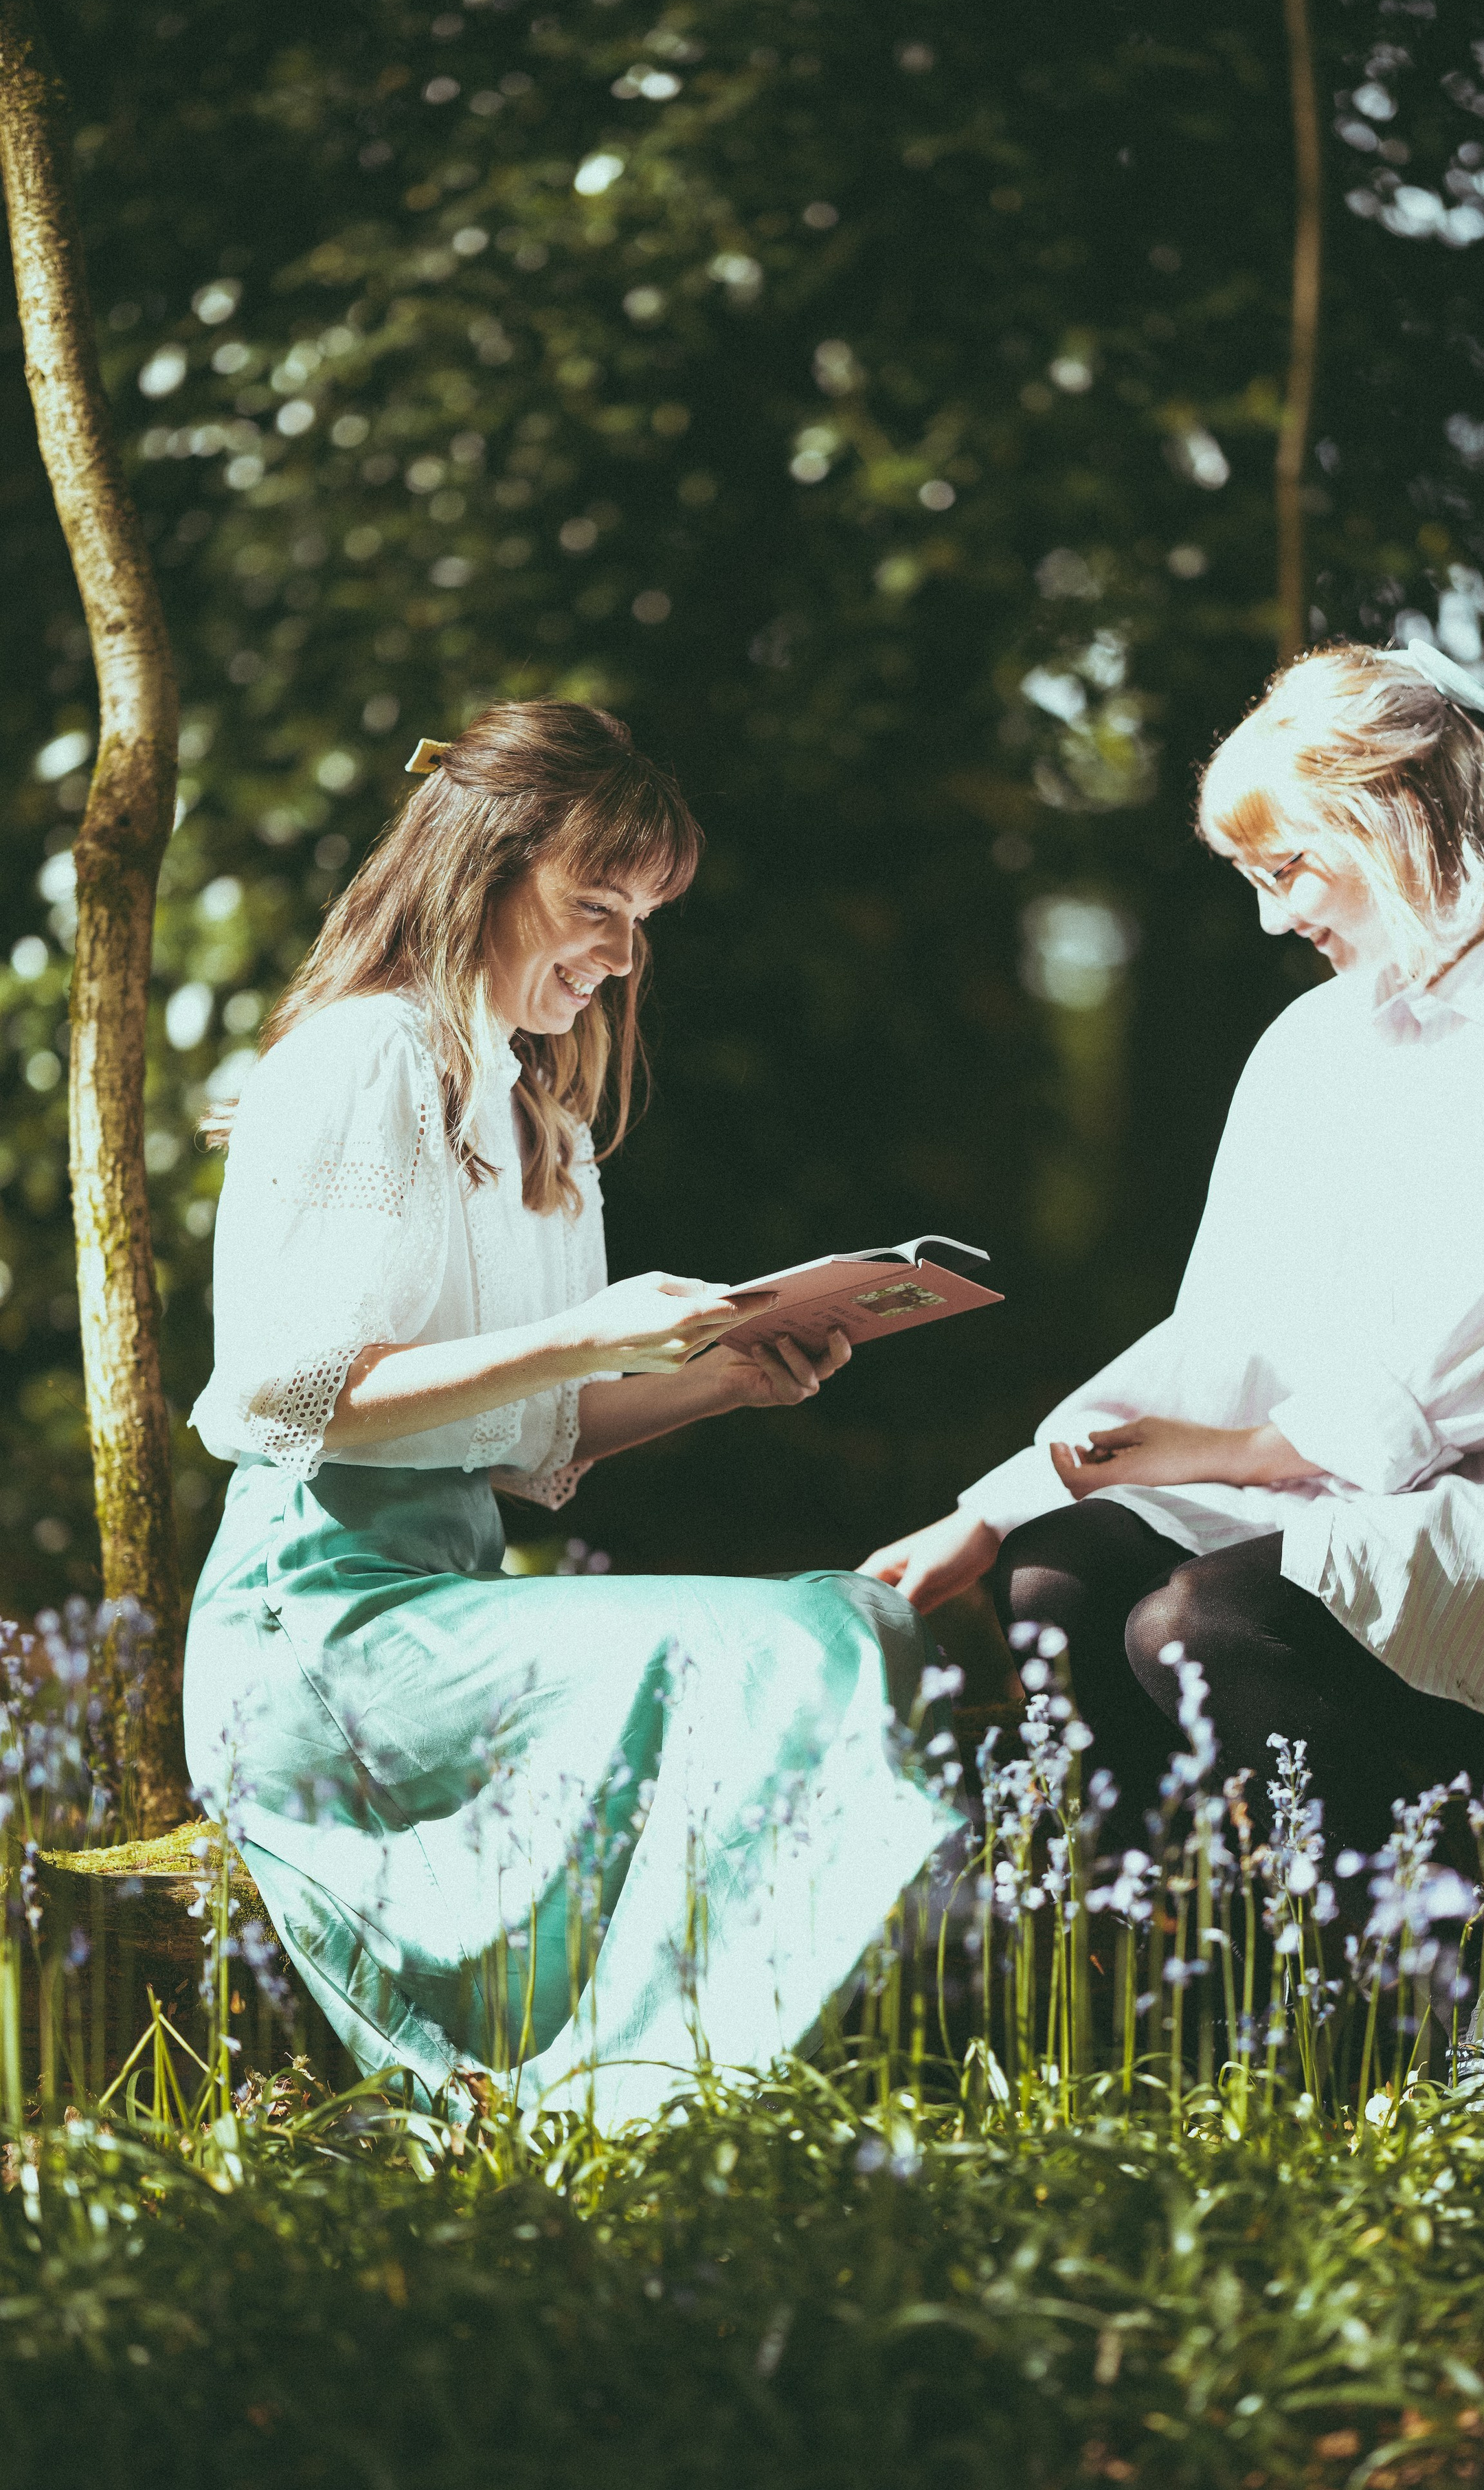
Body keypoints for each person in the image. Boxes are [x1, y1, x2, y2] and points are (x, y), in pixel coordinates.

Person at [862, 642, 1484, 1884]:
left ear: (1395, 819)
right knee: (1057, 1576)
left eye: (1288, 869)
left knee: (1201, 1622)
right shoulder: (1308, 1044)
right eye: (1253, 880)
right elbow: (1226, 1332)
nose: (1275, 917)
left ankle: (1438, 1933)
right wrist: (996, 1504)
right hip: (1319, 1490)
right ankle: (1171, 1943)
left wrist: (1245, 1452)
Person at [184, 700, 954, 2126]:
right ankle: (641, 2098)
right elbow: (285, 1399)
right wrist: (579, 1337)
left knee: (857, 1619)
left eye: (642, 918)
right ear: (483, 871)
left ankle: (678, 2078)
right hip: (317, 1629)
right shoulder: (370, 1056)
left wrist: (725, 1376)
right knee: (793, 1644)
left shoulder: (533, 1107)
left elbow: (527, 1435)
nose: (622, 953)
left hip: (445, 1599)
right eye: (598, 905)